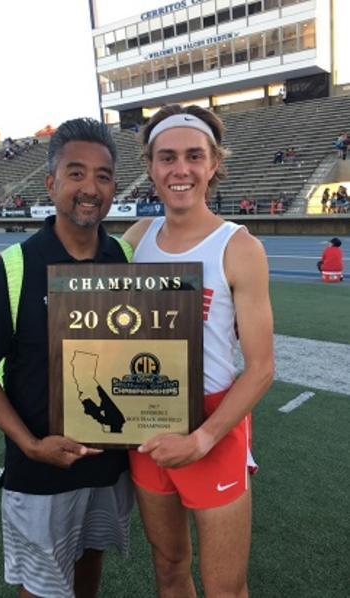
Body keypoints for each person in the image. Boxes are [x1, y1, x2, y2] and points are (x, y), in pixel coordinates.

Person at [0, 118, 134, 598]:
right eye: (76, 173)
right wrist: (30, 445)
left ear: (114, 187)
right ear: (51, 183)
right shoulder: (12, 267)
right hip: (40, 471)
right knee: (42, 587)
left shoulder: (125, 259)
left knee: (90, 565)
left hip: (109, 465)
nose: (90, 188)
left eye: (102, 176)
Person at [122, 104, 274, 597]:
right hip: (147, 418)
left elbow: (261, 368)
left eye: (194, 156)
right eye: (167, 157)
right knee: (169, 568)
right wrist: (11, 263)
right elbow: (74, 273)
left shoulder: (239, 247)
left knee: (225, 587)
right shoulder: (137, 238)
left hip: (213, 424)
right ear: (150, 167)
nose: (180, 169)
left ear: (213, 164)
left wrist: (203, 439)